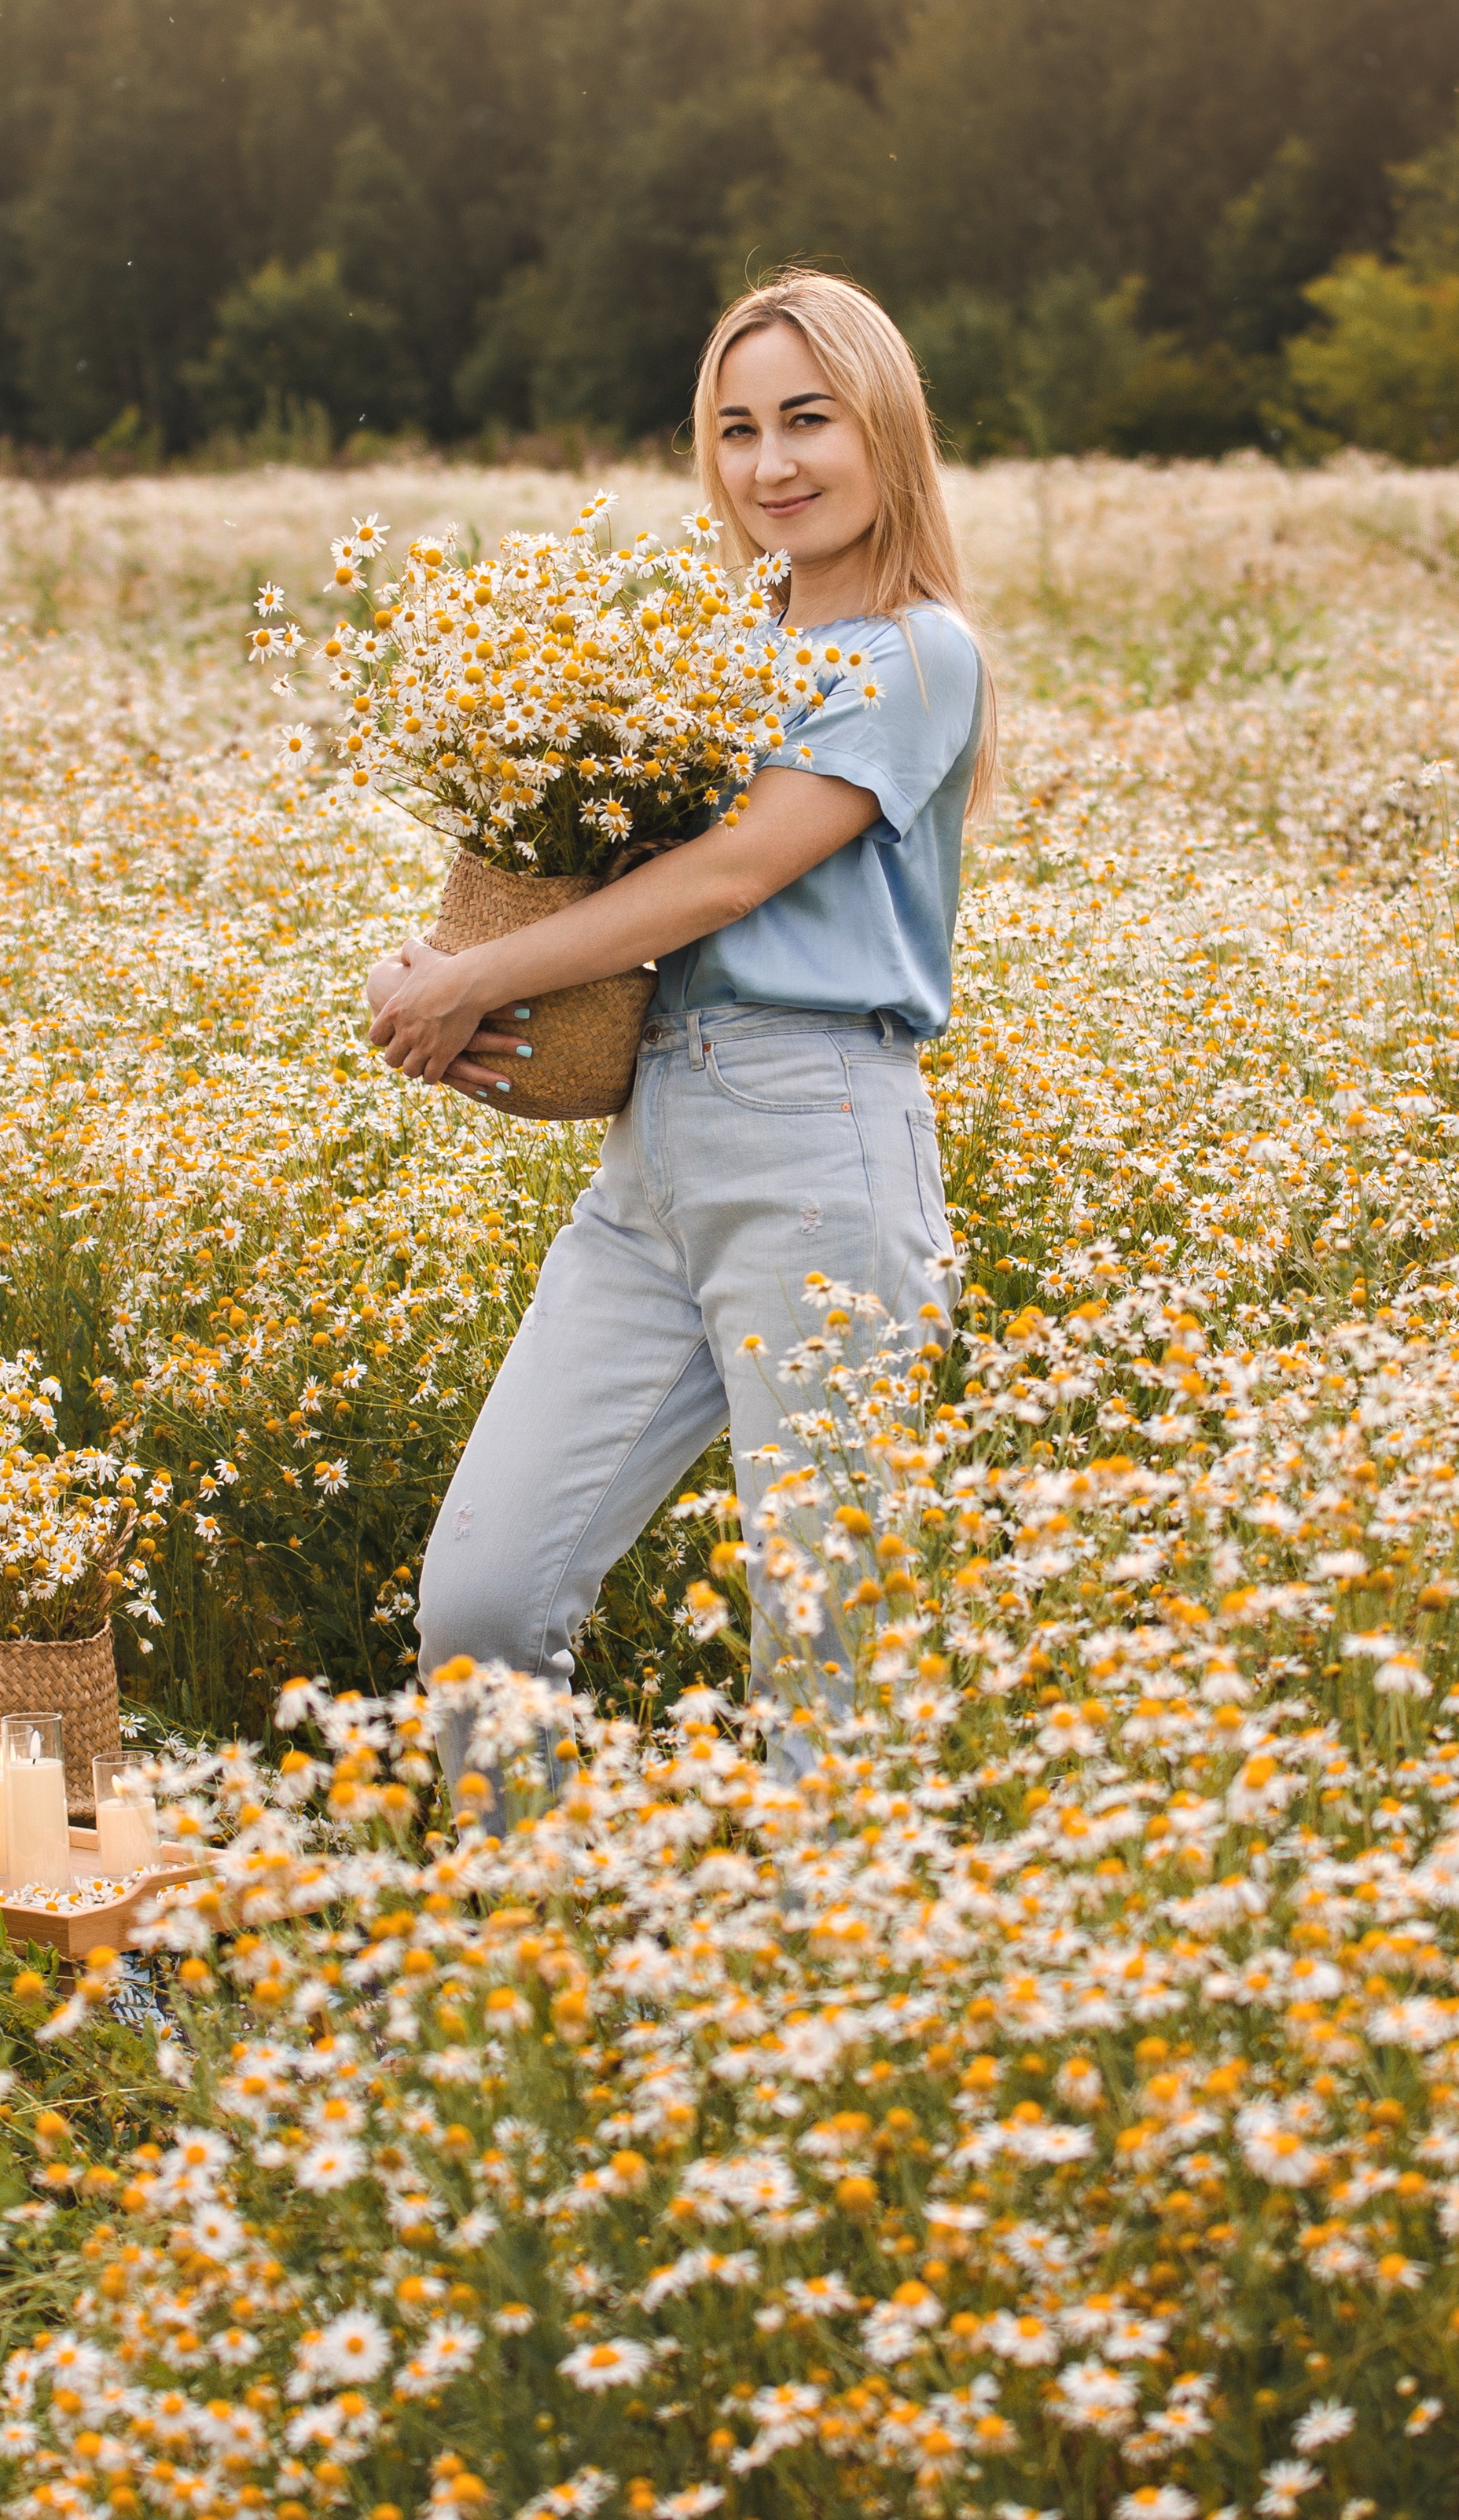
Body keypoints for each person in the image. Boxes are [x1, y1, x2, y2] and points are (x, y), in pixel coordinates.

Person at [364, 271, 996, 1812]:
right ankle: (532, 1978)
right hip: (651, 1155)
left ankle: (821, 2015)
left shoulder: (913, 654)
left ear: (883, 430)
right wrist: (457, 963)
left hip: (819, 1153)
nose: (770, 464)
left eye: (806, 420)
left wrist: (477, 977)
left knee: (825, 1642)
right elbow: (603, 862)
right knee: (482, 1606)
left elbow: (725, 873)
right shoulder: (709, 656)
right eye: (734, 431)